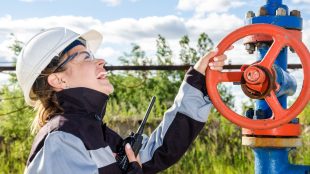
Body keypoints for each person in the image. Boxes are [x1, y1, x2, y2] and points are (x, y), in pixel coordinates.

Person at [16, 27, 228, 174]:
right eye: (86, 57)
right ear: (58, 79)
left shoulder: (93, 132)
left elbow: (157, 151)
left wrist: (198, 80)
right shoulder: (62, 138)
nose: (101, 61)